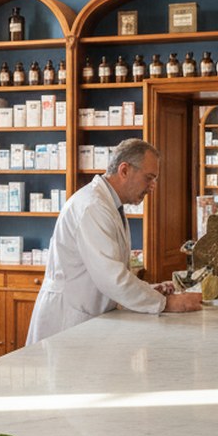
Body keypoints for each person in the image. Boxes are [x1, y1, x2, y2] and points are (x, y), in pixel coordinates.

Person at [26, 138, 203, 343]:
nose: (152, 187)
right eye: (149, 178)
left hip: (87, 321)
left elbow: (111, 273)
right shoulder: (92, 206)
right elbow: (112, 278)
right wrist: (166, 303)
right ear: (124, 170)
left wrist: (148, 291)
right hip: (68, 321)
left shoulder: (110, 205)